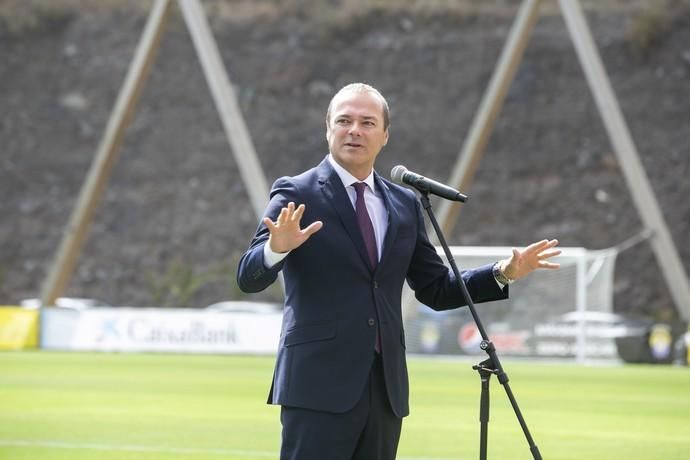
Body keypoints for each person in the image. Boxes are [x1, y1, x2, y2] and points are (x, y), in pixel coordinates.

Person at [237, 82, 561, 460]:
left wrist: (502, 272)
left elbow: (436, 288)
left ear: (385, 135)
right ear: (328, 128)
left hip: (385, 388)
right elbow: (248, 276)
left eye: (367, 122)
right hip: (317, 385)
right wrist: (276, 249)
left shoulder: (405, 203)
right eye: (344, 120)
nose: (354, 129)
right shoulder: (297, 192)